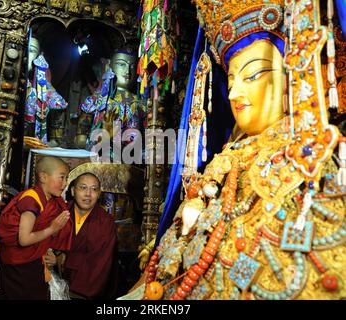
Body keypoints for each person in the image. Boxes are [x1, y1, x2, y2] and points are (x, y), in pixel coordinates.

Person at [139, 0, 346, 300]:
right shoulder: (220, 168)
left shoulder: (319, 166)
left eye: (253, 75)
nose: (235, 93)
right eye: (232, 80)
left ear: (293, 74)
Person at [0, 156, 73, 300]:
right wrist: (52, 229)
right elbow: (24, 239)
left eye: (66, 178)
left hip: (33, 261)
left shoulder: (51, 201)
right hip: (17, 266)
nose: (65, 183)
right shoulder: (31, 200)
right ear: (43, 176)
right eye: (62, 177)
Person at [61, 171, 119, 300]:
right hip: (53, 284)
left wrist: (63, 260)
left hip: (84, 292)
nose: (88, 194)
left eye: (94, 189)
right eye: (83, 188)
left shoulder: (105, 222)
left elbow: (100, 263)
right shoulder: (60, 212)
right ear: (72, 191)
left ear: (98, 195)